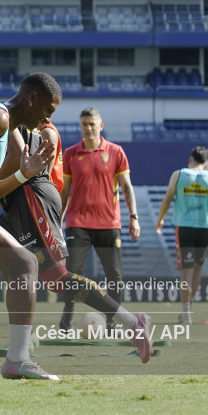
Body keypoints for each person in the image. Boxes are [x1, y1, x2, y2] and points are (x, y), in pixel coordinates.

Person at [0, 89, 153, 366]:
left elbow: (17, 162)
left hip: (32, 199)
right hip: (15, 201)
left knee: (56, 278)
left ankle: (131, 321)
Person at [59, 106, 140, 330]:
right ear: (80, 127)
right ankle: (67, 313)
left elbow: (126, 187)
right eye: (84, 124)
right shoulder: (70, 154)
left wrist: (134, 217)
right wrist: (58, 221)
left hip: (108, 224)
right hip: (78, 223)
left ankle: (113, 320)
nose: (88, 128)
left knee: (114, 275)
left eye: (92, 124)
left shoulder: (116, 152)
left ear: (100, 126)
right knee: (71, 273)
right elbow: (64, 192)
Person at [154, 146, 208, 325]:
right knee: (198, 269)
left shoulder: (179, 174)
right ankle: (190, 306)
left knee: (186, 270)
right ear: (206, 165)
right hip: (205, 228)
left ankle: (185, 313)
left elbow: (167, 200)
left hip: (185, 227)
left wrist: (160, 220)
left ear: (189, 160)